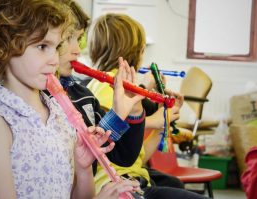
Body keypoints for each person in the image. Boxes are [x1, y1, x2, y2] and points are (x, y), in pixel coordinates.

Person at [0, 0, 140, 198]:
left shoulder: (59, 114)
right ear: (3, 48)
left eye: (56, 46)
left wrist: (83, 168)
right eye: (42, 46)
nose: (54, 59)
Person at [87, 13, 208, 198]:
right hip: (114, 183)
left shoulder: (104, 82)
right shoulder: (109, 85)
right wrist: (155, 119)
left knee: (173, 183)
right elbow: (108, 127)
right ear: (139, 51)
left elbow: (138, 157)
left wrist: (163, 123)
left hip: (133, 176)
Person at [40, 0, 146, 173]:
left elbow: (122, 156)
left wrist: (132, 111)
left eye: (79, 39)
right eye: (67, 39)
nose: (77, 51)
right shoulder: (36, 101)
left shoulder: (83, 97)